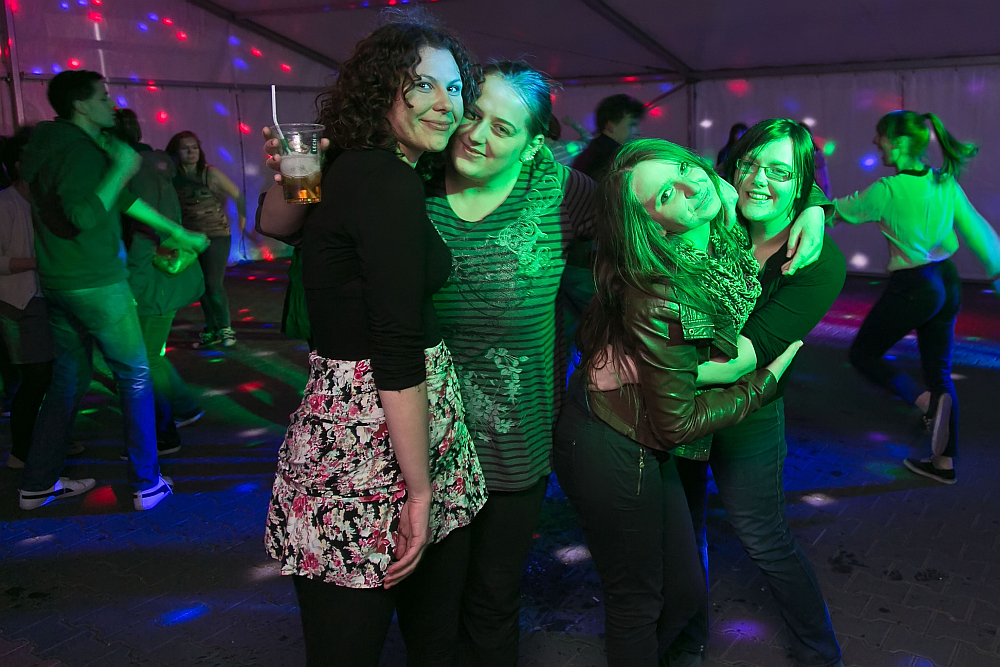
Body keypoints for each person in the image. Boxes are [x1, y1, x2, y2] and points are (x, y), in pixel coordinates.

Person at [258, 17, 487, 667]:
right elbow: (394, 344)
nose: (446, 103)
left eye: (454, 87)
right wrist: (419, 490)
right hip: (372, 440)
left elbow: (279, 226)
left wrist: (304, 168)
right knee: (388, 644)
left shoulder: (357, 168)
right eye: (424, 85)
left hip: (383, 427)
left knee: (423, 635)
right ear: (382, 88)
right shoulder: (382, 178)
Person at [554, 138, 803, 667]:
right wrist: (760, 381)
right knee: (639, 601)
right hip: (613, 443)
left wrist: (816, 210)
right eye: (668, 193)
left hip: (639, 432)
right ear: (650, 224)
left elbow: (770, 171)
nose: (691, 186)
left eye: (688, 168)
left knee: (683, 594)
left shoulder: (715, 232)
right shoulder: (663, 287)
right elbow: (677, 422)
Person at [666, 119, 847, 667]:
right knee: (682, 533)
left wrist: (652, 373)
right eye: (750, 164)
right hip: (680, 405)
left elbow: (746, 356)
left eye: (780, 172)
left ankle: (820, 652)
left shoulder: (818, 261)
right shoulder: (713, 219)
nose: (759, 180)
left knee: (763, 536)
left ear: (802, 183)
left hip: (751, 411)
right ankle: (687, 641)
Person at [16, 70, 207, 511]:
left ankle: (37, 483)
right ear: (80, 105)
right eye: (103, 96)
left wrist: (177, 231)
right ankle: (147, 484)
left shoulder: (51, 144)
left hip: (60, 282)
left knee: (67, 381)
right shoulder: (79, 151)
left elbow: (117, 200)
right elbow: (84, 215)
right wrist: (121, 168)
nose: (111, 103)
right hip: (97, 282)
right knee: (135, 375)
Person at [832, 110, 1000, 485]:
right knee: (939, 374)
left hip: (915, 285)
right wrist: (998, 271)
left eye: (880, 135)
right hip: (947, 281)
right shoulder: (943, 181)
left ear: (900, 142)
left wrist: (803, 199)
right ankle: (944, 463)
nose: (876, 142)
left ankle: (925, 403)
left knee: (863, 354)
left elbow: (836, 212)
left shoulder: (887, 190)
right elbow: (976, 228)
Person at [115, 109, 205, 459]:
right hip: (161, 277)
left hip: (151, 279)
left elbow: (143, 233)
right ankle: (182, 409)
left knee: (146, 357)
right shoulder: (152, 166)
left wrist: (133, 283)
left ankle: (164, 433)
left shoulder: (132, 172)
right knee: (152, 354)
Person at [0, 129, 54, 471]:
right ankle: (22, 453)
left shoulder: (43, 201)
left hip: (44, 298)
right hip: (19, 304)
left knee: (48, 378)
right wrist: (38, 262)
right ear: (20, 164)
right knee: (35, 380)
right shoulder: (5, 204)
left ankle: (43, 441)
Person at [166, 130, 246, 349]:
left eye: (194, 147)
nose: (191, 152)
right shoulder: (173, 176)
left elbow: (238, 195)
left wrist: (242, 222)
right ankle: (212, 329)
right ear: (176, 152)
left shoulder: (210, 173)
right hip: (190, 238)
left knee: (213, 284)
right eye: (185, 148)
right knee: (200, 285)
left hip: (215, 236)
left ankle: (225, 327)